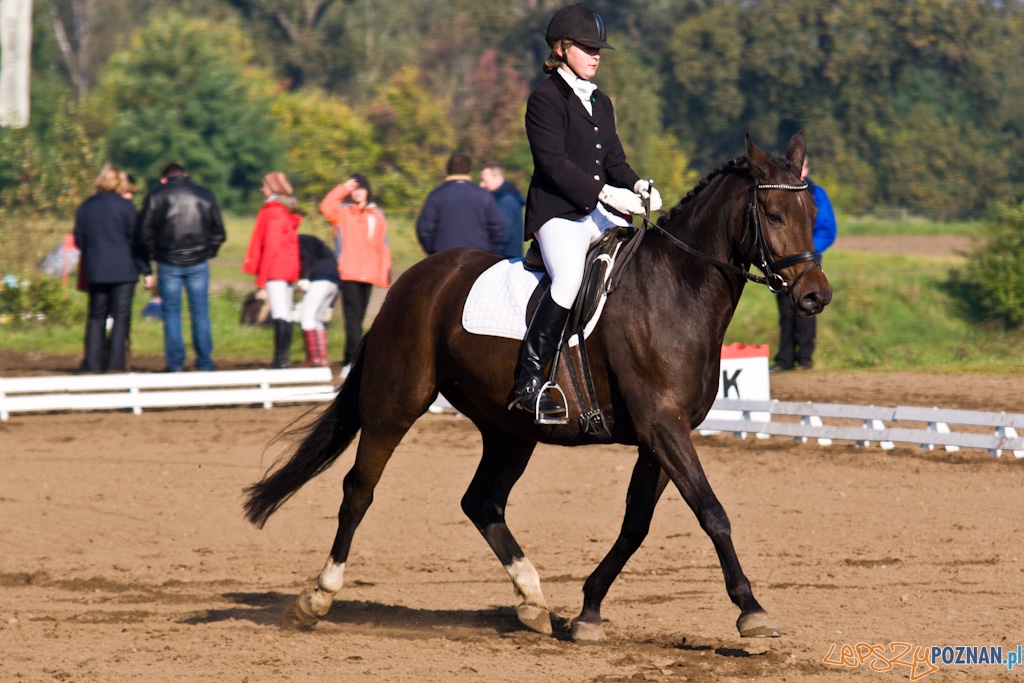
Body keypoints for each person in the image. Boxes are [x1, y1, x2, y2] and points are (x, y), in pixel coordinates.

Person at [509, 3, 661, 419]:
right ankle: (530, 382)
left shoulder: (601, 102)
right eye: (588, 48)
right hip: (557, 214)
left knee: (639, 261)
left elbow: (614, 160)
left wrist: (638, 185)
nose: (596, 55)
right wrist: (607, 195)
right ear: (561, 49)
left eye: (599, 49)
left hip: (594, 209)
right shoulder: (543, 101)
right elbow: (554, 166)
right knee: (569, 280)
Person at [138, 162, 226, 372]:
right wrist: (207, 252)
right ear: (185, 175)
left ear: (163, 178)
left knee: (171, 313)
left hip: (168, 262)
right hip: (198, 262)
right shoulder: (205, 194)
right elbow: (219, 232)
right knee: (200, 312)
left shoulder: (156, 195)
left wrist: (153, 255)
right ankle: (205, 362)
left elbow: (144, 232)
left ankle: (175, 363)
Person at [73, 164, 152, 373]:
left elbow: (79, 240)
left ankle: (92, 363)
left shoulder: (85, 207)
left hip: (96, 269)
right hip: (123, 270)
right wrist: (145, 268)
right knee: (121, 316)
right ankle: (116, 363)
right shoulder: (126, 208)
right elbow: (136, 241)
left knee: (96, 316)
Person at [319, 173, 391, 379]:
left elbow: (383, 245)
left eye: (361, 188)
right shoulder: (342, 213)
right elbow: (326, 207)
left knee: (359, 319)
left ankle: (354, 359)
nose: (358, 193)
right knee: (352, 319)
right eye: (354, 190)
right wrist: (343, 187)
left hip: (368, 274)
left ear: (368, 191)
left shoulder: (377, 215)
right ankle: (350, 360)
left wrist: (383, 273)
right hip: (348, 271)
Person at [771, 155, 837, 373]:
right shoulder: (780, 192)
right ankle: (784, 359)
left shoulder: (817, 194)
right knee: (785, 309)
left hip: (807, 259)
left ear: (806, 170)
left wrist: (807, 251)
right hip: (785, 259)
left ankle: (805, 358)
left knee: (807, 307)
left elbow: (827, 229)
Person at [243, 172, 302, 368]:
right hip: (287, 269)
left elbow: (271, 247)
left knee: (279, 313)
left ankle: (280, 359)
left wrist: (262, 279)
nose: (262, 189)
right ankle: (283, 357)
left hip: (276, 269)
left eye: (264, 185)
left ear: (273, 188)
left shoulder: (273, 212)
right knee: (284, 312)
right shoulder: (285, 211)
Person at [415, 152, 505, 256]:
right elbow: (497, 229)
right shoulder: (484, 196)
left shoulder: (436, 195)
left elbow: (424, 230)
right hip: (478, 258)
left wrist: (434, 252)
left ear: (448, 170)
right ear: (469, 171)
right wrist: (488, 252)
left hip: (444, 258)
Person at [296, 234, 342, 367]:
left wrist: (304, 277)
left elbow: (306, 257)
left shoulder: (300, 241)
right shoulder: (316, 243)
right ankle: (322, 357)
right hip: (334, 281)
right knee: (317, 319)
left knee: (306, 316)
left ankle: (313, 358)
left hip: (320, 278)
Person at [480, 162, 526, 259]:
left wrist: (489, 253)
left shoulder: (505, 200)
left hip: (505, 258)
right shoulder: (506, 197)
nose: (481, 185)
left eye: (485, 181)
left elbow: (503, 233)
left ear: (498, 177)